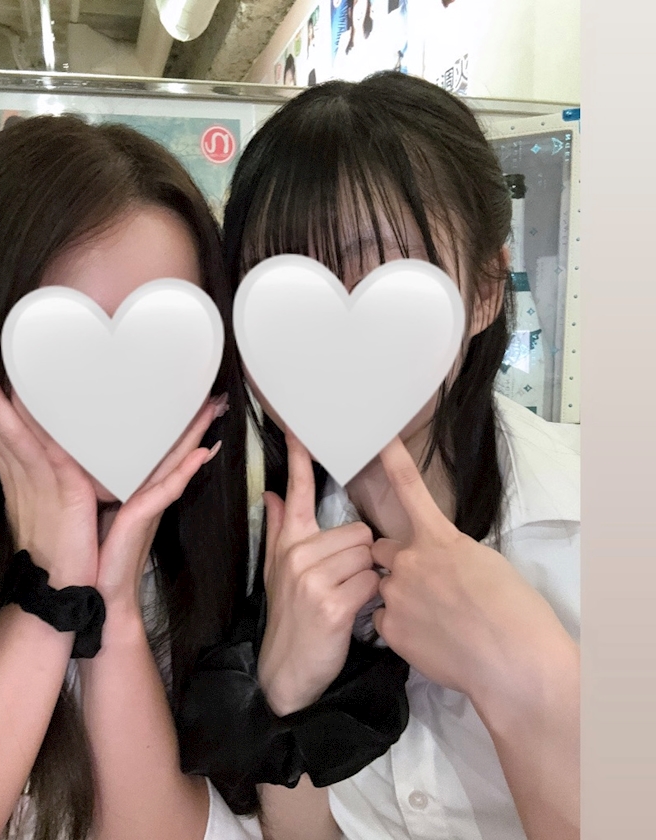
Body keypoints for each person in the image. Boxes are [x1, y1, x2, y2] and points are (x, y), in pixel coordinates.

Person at [196, 72, 580, 840]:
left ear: (484, 290)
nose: (335, 321)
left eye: (382, 272)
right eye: (285, 284)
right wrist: (286, 695)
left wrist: (531, 679)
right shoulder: (247, 547)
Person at [0, 115, 262, 840]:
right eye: (65, 345)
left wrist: (112, 610)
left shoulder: (228, 578)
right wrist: (50, 589)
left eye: (163, 342)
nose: (120, 394)